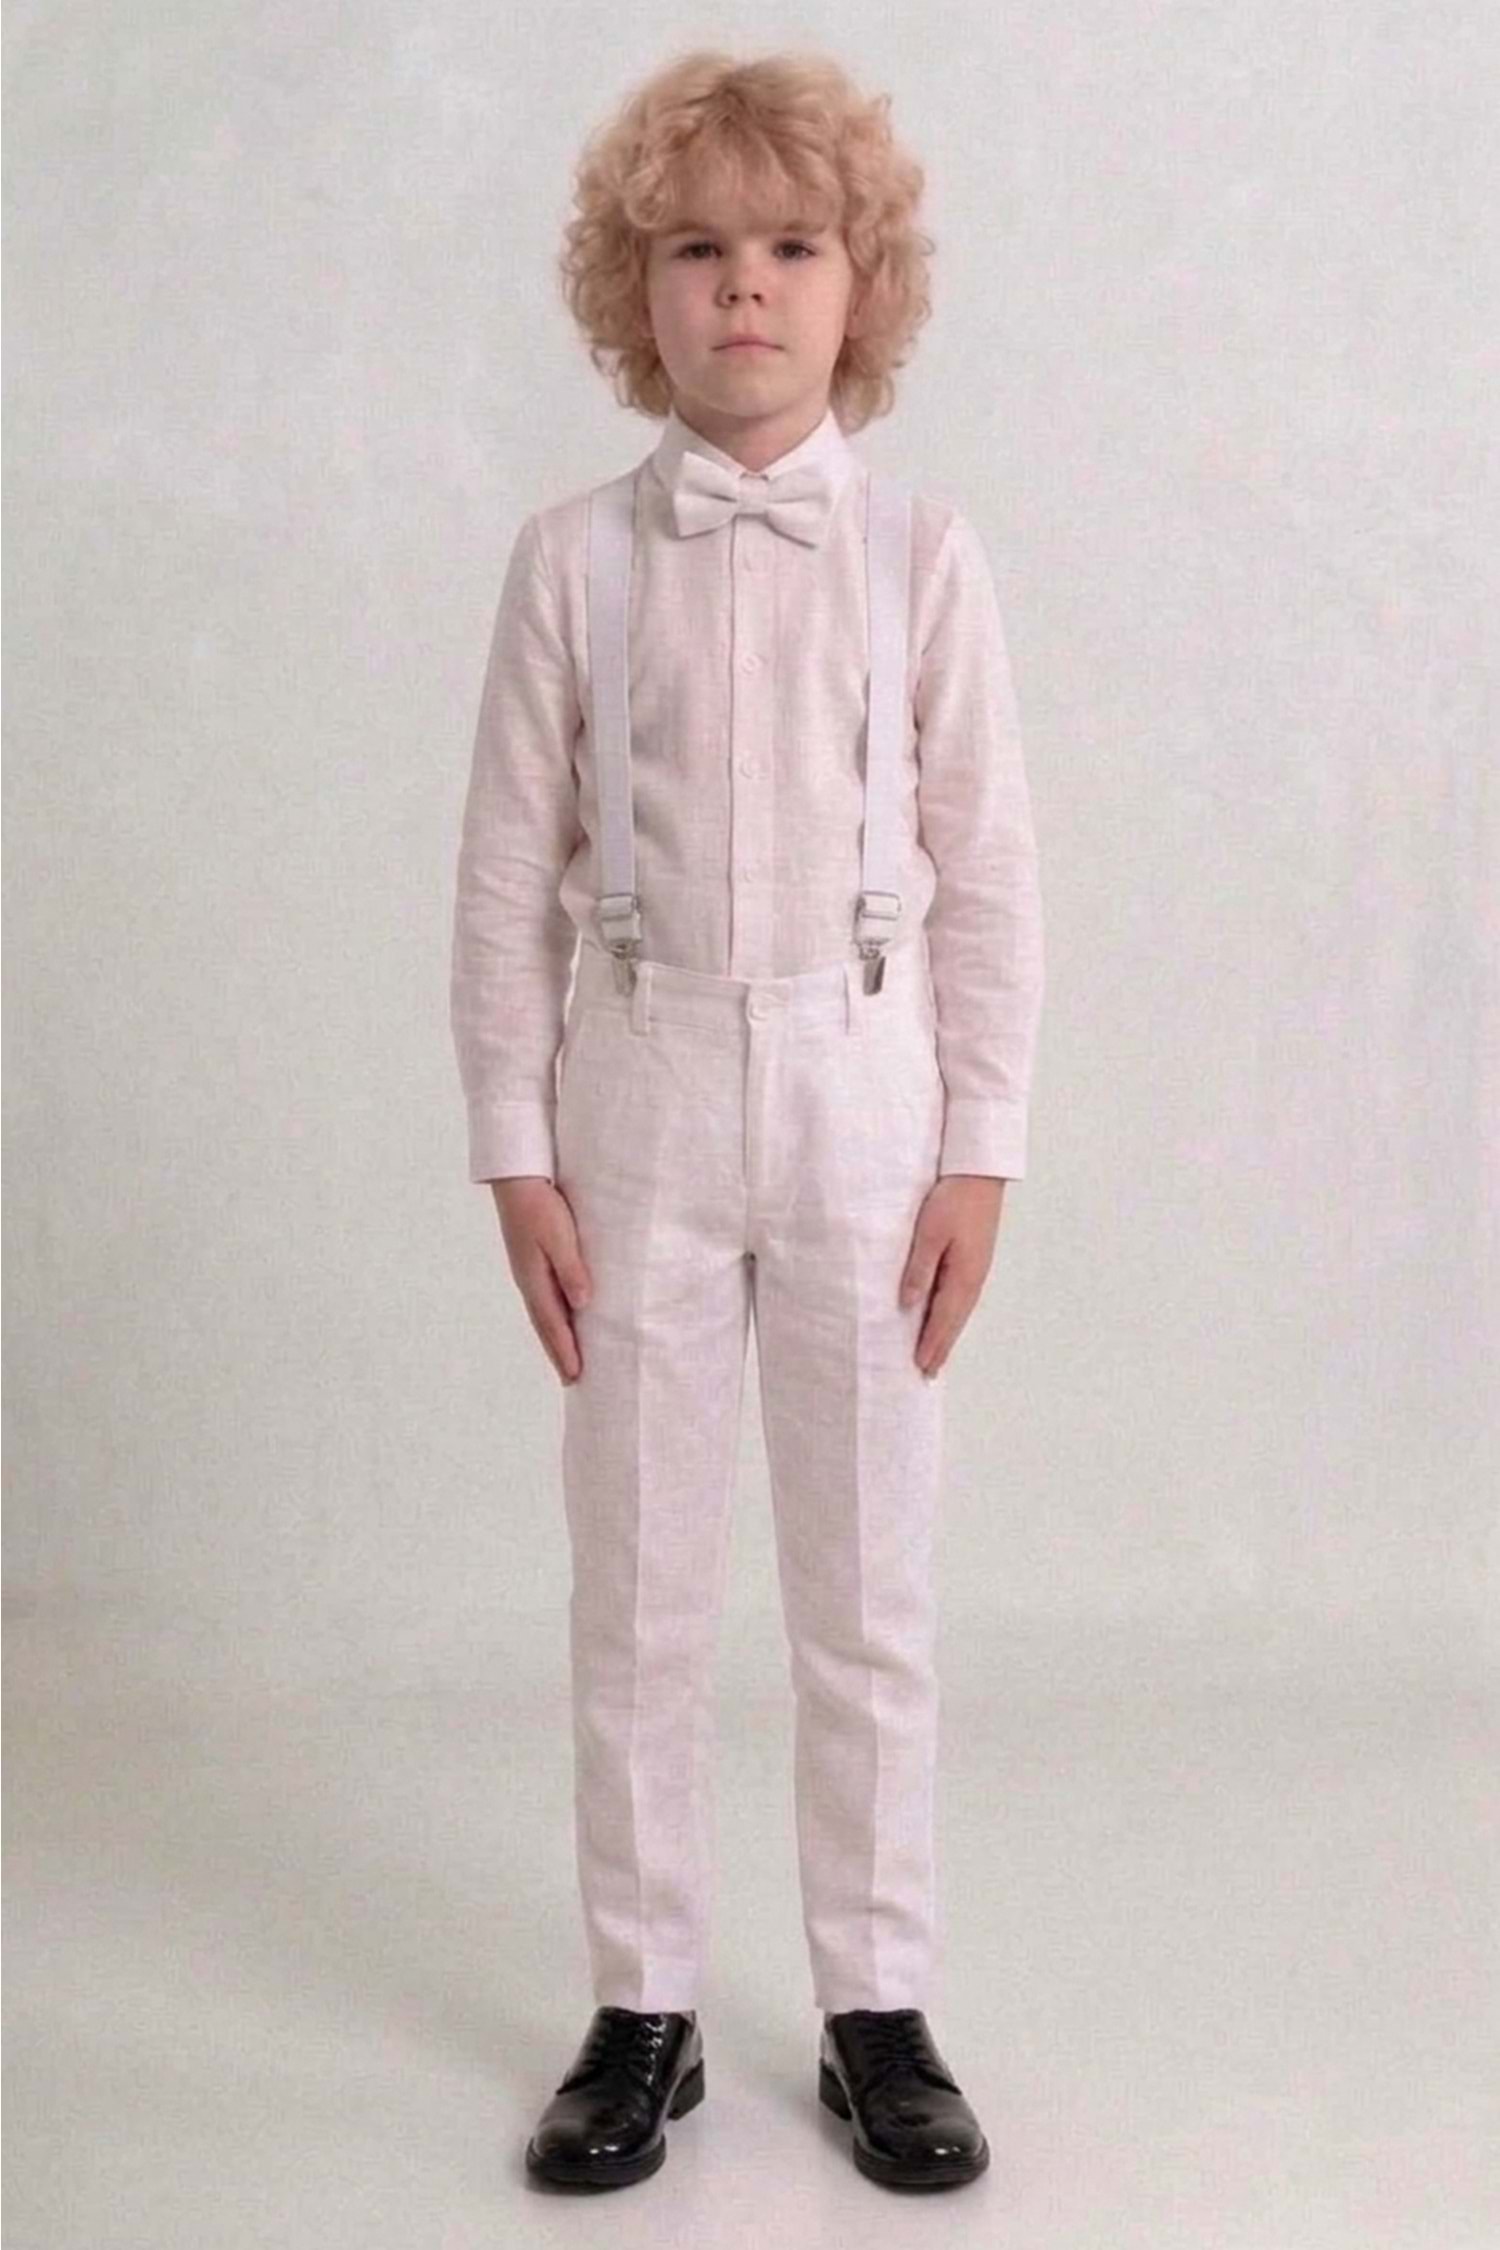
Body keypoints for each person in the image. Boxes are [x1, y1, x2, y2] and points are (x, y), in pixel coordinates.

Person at [449, 47, 1044, 2194]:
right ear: (638, 291)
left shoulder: (922, 555)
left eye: (792, 247)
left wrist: (981, 1147)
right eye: (697, 250)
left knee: (867, 1581)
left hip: (866, 1098)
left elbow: (990, 870)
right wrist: (515, 1147)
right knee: (636, 1582)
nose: (746, 289)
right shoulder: (572, 562)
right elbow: (503, 875)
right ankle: (644, 2006)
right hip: (643, 1096)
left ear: (862, 286)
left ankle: (879, 2002)